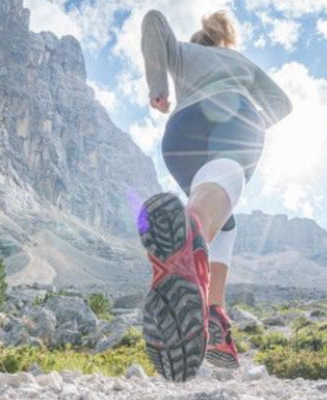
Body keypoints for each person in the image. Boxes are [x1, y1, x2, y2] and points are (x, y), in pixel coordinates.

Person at [137, 9, 292, 382]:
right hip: (235, 115)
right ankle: (191, 239)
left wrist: (158, 89)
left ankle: (213, 313)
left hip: (180, 134)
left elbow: (155, 20)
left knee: (225, 221)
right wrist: (251, 119)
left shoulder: (186, 55)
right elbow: (282, 104)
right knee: (222, 187)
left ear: (197, 40)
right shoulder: (238, 61)